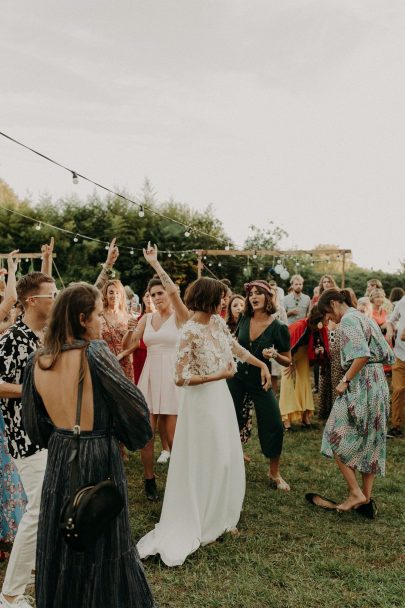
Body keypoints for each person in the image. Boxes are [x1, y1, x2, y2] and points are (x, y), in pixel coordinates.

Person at [20, 282, 156, 607]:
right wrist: (126, 434)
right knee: (104, 540)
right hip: (98, 454)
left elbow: (35, 430)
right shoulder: (95, 353)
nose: (100, 321)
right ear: (83, 318)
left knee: (66, 539)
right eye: (96, 314)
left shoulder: (37, 363)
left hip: (60, 455)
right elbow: (136, 409)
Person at [137, 277, 270, 566]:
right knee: (207, 458)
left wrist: (259, 363)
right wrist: (217, 376)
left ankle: (222, 515)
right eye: (221, 298)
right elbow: (180, 377)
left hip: (220, 400)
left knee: (226, 457)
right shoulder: (190, 331)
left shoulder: (219, 324)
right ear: (209, 298)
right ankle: (203, 516)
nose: (225, 302)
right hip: (200, 403)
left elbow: (234, 349)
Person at [0, 269, 56, 608]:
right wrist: (34, 391)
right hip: (25, 438)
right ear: (32, 300)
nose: (56, 297)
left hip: (50, 434)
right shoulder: (12, 339)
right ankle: (10, 594)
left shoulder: (45, 335)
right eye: (51, 294)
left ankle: (37, 565)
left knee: (48, 506)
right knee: (37, 510)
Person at [316, 289, 394, 512]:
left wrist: (345, 381)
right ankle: (366, 500)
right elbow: (386, 352)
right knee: (371, 438)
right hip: (378, 382)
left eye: (327, 314)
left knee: (334, 433)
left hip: (361, 381)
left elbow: (362, 354)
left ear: (333, 303)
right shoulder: (362, 316)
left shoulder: (349, 320)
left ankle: (355, 492)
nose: (328, 320)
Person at [124, 243, 190, 501]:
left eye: (160, 293)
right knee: (146, 434)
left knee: (173, 436)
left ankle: (180, 481)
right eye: (153, 295)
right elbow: (129, 346)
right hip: (150, 376)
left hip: (172, 376)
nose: (157, 297)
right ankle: (149, 479)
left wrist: (155, 264)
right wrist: (130, 328)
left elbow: (174, 291)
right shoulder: (145, 319)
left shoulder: (180, 316)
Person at [227, 280, 291, 490]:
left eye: (258, 293)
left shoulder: (279, 327)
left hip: (260, 382)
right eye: (251, 294)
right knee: (228, 418)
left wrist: (274, 355)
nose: (253, 297)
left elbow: (287, 360)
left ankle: (274, 473)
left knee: (273, 423)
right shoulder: (244, 318)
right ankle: (227, 464)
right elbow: (236, 345)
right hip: (236, 378)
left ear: (268, 297)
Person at [100, 279, 135, 381]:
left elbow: (136, 344)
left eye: (117, 292)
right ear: (105, 295)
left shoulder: (128, 317)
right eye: (111, 292)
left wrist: (122, 354)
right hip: (106, 362)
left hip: (125, 363)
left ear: (121, 295)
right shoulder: (99, 316)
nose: (114, 295)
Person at [386, 293, 405, 437]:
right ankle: (396, 426)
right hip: (400, 355)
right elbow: (390, 320)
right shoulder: (403, 301)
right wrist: (390, 330)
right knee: (398, 389)